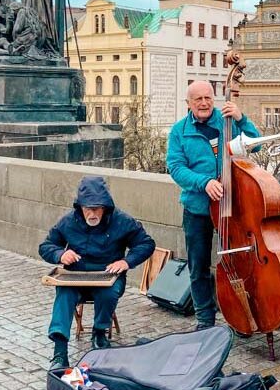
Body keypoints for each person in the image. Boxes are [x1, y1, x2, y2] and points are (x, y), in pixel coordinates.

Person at [166, 81, 260, 330]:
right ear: (188, 103)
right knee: (198, 267)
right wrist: (204, 182)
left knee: (239, 263)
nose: (204, 103)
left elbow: (257, 143)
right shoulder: (179, 131)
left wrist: (241, 119)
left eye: (208, 97)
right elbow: (176, 168)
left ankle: (240, 316)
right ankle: (205, 320)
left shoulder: (226, 121)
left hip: (232, 208)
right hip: (197, 209)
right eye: (198, 99)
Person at [39, 176, 155, 370]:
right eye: (87, 209)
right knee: (63, 295)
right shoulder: (68, 221)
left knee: (108, 293)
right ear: (80, 207)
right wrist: (61, 254)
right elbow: (46, 246)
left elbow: (146, 243)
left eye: (97, 208)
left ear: (105, 207)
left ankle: (99, 333)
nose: (92, 213)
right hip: (76, 277)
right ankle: (60, 352)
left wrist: (126, 262)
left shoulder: (121, 220)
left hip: (107, 274)